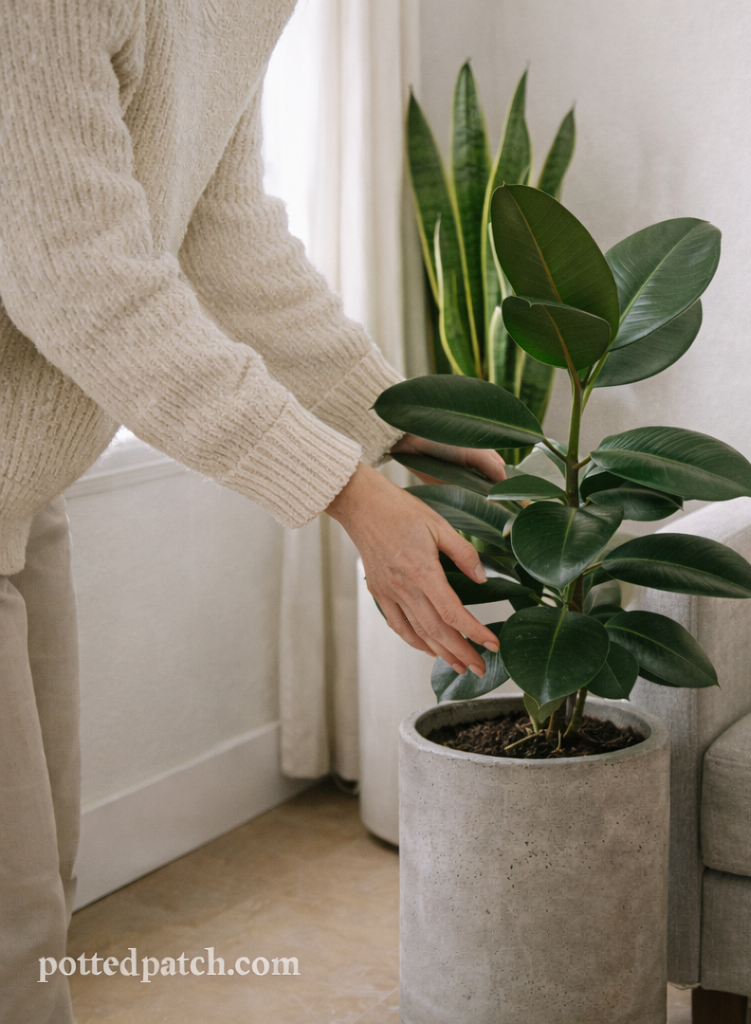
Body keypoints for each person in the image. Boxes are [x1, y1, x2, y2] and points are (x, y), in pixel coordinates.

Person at [0, 3, 503, 1021]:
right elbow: (77, 278)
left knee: (38, 876)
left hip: (22, 487)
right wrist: (346, 492)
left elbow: (228, 238)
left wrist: (390, 420)